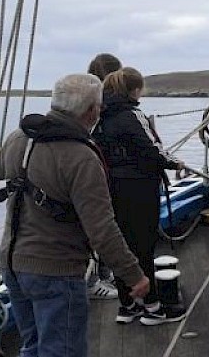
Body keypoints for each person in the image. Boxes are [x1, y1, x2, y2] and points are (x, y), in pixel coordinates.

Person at [0, 73, 148, 357]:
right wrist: (134, 275)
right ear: (92, 111)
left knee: (32, 347)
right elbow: (102, 230)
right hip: (55, 273)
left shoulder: (19, 138)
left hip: (13, 267)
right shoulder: (81, 157)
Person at [96, 67, 184, 325]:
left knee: (122, 246)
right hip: (140, 190)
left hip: (113, 190)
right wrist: (176, 164)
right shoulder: (133, 115)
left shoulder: (102, 118)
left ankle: (127, 305)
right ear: (135, 90)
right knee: (143, 247)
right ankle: (154, 307)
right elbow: (153, 150)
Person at [84, 53, 122, 300]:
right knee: (98, 223)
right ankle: (92, 279)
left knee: (102, 222)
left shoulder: (96, 101)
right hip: (99, 169)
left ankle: (104, 272)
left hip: (103, 167)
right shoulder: (101, 104)